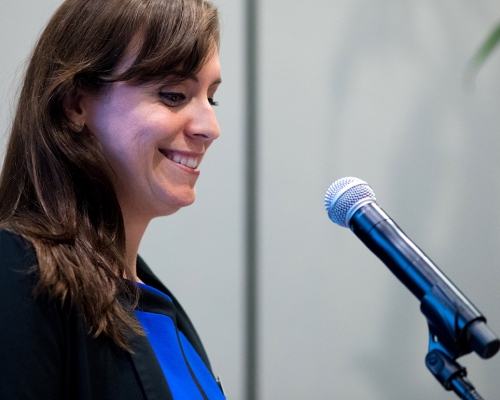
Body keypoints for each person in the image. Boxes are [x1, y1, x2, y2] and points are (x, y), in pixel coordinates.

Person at [0, 0, 225, 399]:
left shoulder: (156, 301)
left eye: (212, 98)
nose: (210, 127)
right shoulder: (17, 270)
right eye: (174, 95)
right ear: (76, 105)